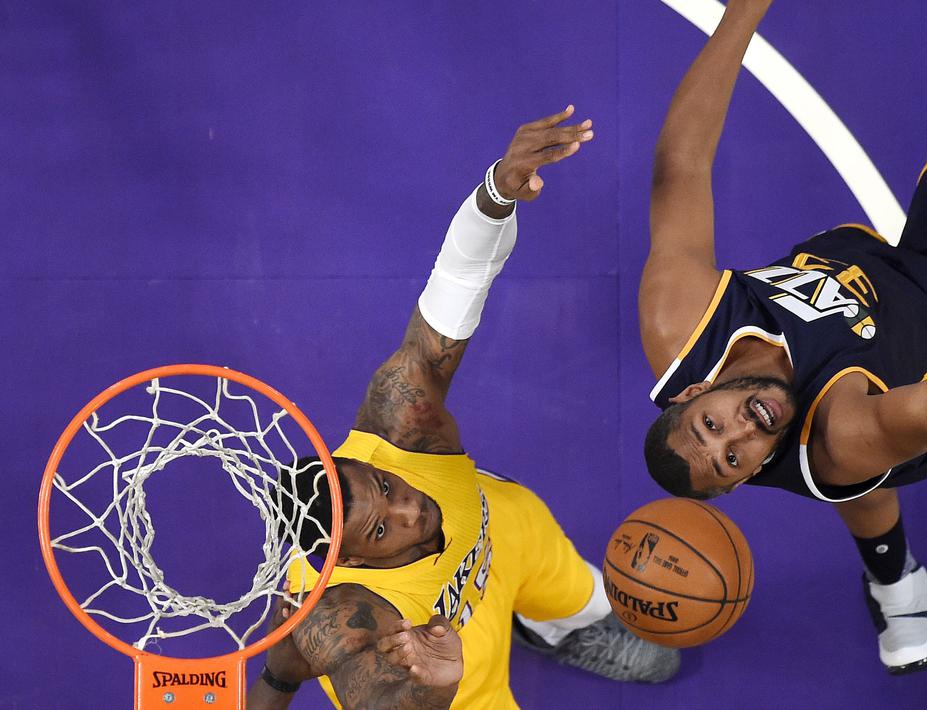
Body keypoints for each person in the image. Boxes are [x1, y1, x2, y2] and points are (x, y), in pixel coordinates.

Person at [638, 0, 927, 674]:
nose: (740, 435)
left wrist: (741, 11)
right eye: (733, 460)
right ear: (745, 478)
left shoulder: (677, 321)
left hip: (877, 293)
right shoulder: (841, 434)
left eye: (712, 425)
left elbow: (681, 164)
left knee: (854, 482)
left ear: (696, 388)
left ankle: (897, 588)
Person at [248, 107, 679, 710]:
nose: (407, 507)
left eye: (384, 486)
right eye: (380, 527)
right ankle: (533, 635)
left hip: (502, 531)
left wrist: (495, 195)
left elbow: (456, 288)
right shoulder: (340, 614)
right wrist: (437, 681)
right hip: (454, 670)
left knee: (586, 594)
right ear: (346, 559)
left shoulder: (399, 429)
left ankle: (558, 628)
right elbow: (379, 698)